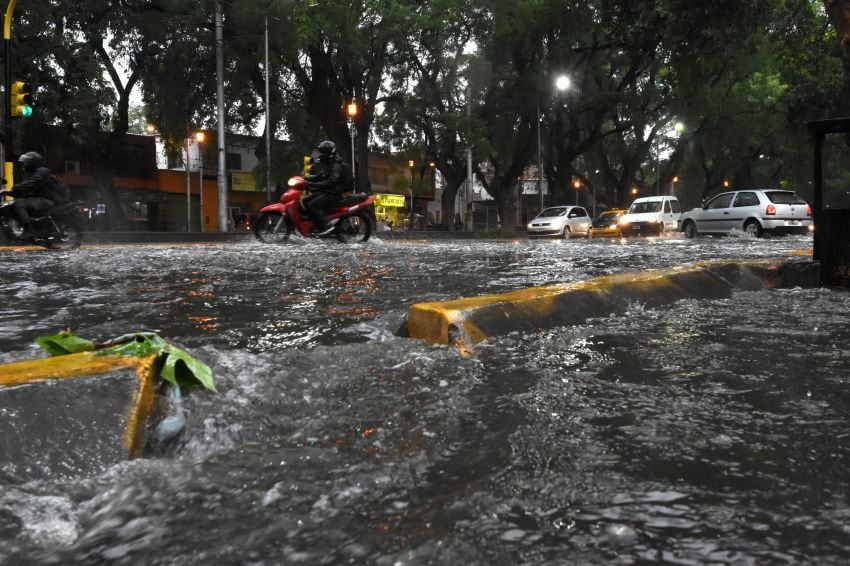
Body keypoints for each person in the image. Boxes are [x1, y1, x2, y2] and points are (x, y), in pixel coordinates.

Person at [0, 152, 70, 242]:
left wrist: (10, 190)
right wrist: (10, 193)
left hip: (47, 200)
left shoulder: (42, 172)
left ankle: (29, 232)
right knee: (14, 203)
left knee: (18, 204)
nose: (24, 165)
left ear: (32, 163)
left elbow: (30, 184)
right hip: (41, 199)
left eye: (26, 163)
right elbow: (27, 191)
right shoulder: (36, 173)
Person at [303, 140, 346, 236]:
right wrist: (305, 179)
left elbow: (332, 181)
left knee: (311, 205)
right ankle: (314, 225)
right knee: (306, 201)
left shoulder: (336, 165)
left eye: (323, 152)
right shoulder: (328, 164)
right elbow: (319, 176)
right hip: (327, 191)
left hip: (333, 193)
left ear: (329, 152)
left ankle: (325, 226)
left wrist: (313, 185)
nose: (321, 154)